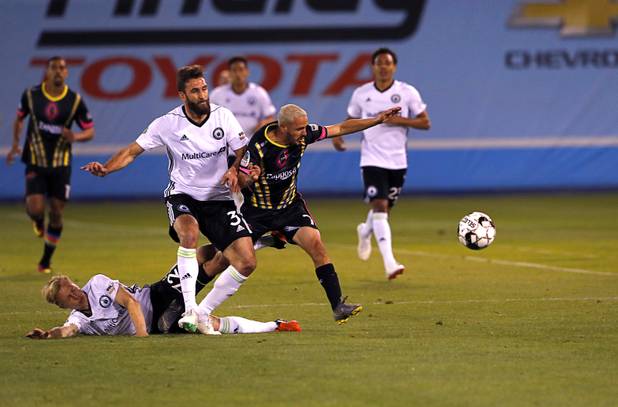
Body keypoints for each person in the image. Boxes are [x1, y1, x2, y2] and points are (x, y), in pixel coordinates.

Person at [81, 65, 258, 334]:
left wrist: (234, 169)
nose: (202, 95)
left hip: (219, 199)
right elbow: (132, 150)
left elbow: (242, 148)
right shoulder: (167, 124)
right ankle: (189, 308)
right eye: (195, 91)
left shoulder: (224, 117)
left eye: (204, 88)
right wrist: (107, 168)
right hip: (183, 194)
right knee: (189, 233)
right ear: (182, 95)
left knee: (244, 262)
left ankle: (191, 308)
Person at [201, 104, 401, 325]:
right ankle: (188, 303)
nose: (304, 133)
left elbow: (341, 128)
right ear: (283, 127)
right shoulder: (258, 146)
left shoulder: (305, 135)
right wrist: (251, 177)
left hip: (290, 208)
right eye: (299, 129)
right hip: (257, 212)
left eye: (305, 128)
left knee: (316, 244)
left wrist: (377, 119)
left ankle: (338, 306)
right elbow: (242, 180)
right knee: (222, 260)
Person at [332, 48, 431, 280]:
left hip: (397, 160)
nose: (383, 67)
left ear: (394, 66)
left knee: (384, 208)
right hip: (371, 158)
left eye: (387, 63)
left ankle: (365, 231)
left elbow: (425, 122)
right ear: (373, 67)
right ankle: (390, 262)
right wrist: (338, 135)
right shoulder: (361, 93)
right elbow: (350, 119)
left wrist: (399, 120)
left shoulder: (407, 92)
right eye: (379, 63)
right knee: (379, 205)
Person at [25, 266, 301, 339]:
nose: (75, 293)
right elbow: (68, 330)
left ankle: (248, 243)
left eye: (72, 287)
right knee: (205, 323)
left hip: (156, 296)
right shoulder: (79, 319)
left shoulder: (97, 283)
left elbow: (132, 303)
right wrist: (49, 334)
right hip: (160, 323)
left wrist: (142, 337)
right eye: (69, 296)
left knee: (206, 263)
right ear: (64, 305)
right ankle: (274, 326)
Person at [6, 56, 95, 274]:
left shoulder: (74, 101)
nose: (58, 71)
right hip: (35, 161)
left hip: (61, 165)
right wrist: (16, 144)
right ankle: (37, 220)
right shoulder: (31, 95)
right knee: (35, 208)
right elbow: (19, 119)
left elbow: (89, 131)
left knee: (56, 213)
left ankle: (45, 260)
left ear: (66, 73)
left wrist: (74, 136)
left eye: (62, 68)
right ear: (47, 71)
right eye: (54, 67)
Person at [210, 56, 276, 137]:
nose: (238, 74)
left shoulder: (259, 92)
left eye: (241, 70)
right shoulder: (218, 93)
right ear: (229, 73)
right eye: (234, 70)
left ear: (247, 72)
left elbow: (270, 118)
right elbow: (207, 117)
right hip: (225, 142)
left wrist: (263, 124)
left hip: (252, 141)